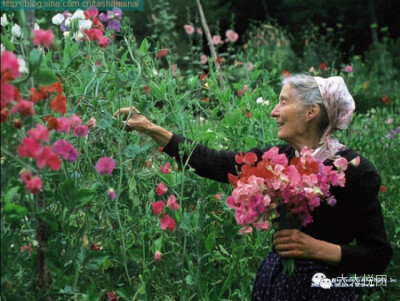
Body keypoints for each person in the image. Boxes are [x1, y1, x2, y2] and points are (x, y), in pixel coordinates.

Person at [114, 74, 392, 300]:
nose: (274, 112)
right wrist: (149, 127)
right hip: (275, 284)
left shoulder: (354, 170)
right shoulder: (278, 158)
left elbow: (378, 256)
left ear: (311, 111)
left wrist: (316, 248)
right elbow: (213, 162)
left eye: (283, 102)